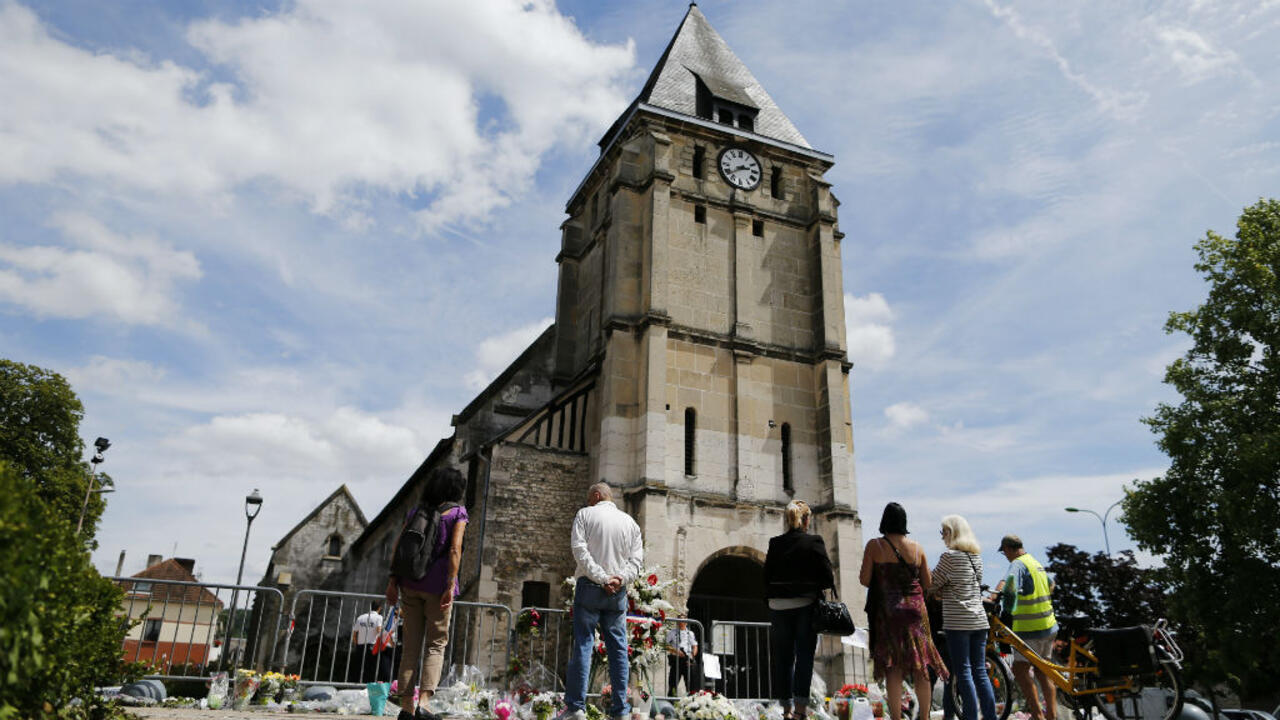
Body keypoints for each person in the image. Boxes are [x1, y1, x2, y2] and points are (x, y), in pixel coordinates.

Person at [385, 467, 469, 720]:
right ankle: (424, 704)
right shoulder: (458, 513)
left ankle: (407, 708)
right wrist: (450, 585)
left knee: (409, 647)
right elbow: (455, 549)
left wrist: (392, 581)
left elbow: (399, 546)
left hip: (410, 584)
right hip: (438, 589)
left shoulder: (416, 512)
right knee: (435, 645)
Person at [558, 482, 644, 720]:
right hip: (617, 592)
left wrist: (600, 576)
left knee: (584, 645)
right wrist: (619, 579)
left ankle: (576, 708)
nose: (588, 502)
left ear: (596, 495)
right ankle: (621, 711)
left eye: (589, 498)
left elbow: (579, 550)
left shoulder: (585, 514)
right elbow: (636, 561)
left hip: (590, 588)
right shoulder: (630, 523)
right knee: (618, 650)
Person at [859, 502, 946, 720]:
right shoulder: (917, 548)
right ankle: (925, 717)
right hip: (916, 612)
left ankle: (897, 718)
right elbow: (927, 583)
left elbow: (864, 579)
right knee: (921, 666)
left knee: (893, 667)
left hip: (889, 613)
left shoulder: (874, 546)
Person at [763, 500, 835, 720]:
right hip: (804, 604)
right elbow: (827, 577)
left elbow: (766, 575)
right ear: (806, 520)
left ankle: (785, 709)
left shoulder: (775, 543)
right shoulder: (813, 541)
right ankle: (800, 711)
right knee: (804, 656)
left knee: (783, 658)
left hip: (778, 605)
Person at [931, 516, 997, 720]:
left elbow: (932, 584)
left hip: (958, 621)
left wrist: (939, 591)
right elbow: (973, 587)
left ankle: (970, 717)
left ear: (952, 533)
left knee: (963, 672)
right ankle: (990, 716)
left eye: (943, 532)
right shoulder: (975, 557)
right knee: (980, 672)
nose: (942, 537)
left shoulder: (948, 557)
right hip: (979, 620)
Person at [996, 535, 1058, 720]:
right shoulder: (1034, 562)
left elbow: (1009, 587)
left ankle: (1038, 715)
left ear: (1008, 548)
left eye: (1004, 551)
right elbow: (1051, 585)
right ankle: (1052, 716)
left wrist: (1006, 610)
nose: (1005, 555)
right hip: (1049, 625)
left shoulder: (1018, 564)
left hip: (1030, 629)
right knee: (1042, 671)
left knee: (1020, 670)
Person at [351, 602, 393, 683]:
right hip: (372, 645)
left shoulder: (361, 617)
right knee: (373, 668)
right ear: (379, 608)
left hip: (360, 646)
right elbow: (378, 630)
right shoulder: (379, 617)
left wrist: (356, 644)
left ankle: (359, 685)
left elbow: (355, 634)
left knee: (361, 667)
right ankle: (372, 686)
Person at [665, 620, 699, 696]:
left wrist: (692, 656)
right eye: (679, 621)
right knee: (673, 684)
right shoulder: (672, 632)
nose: (681, 623)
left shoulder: (690, 633)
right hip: (676, 659)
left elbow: (695, 646)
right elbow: (665, 645)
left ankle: (691, 701)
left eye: (683, 621)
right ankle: (672, 702)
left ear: (686, 623)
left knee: (691, 684)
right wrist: (675, 651)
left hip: (687, 659)